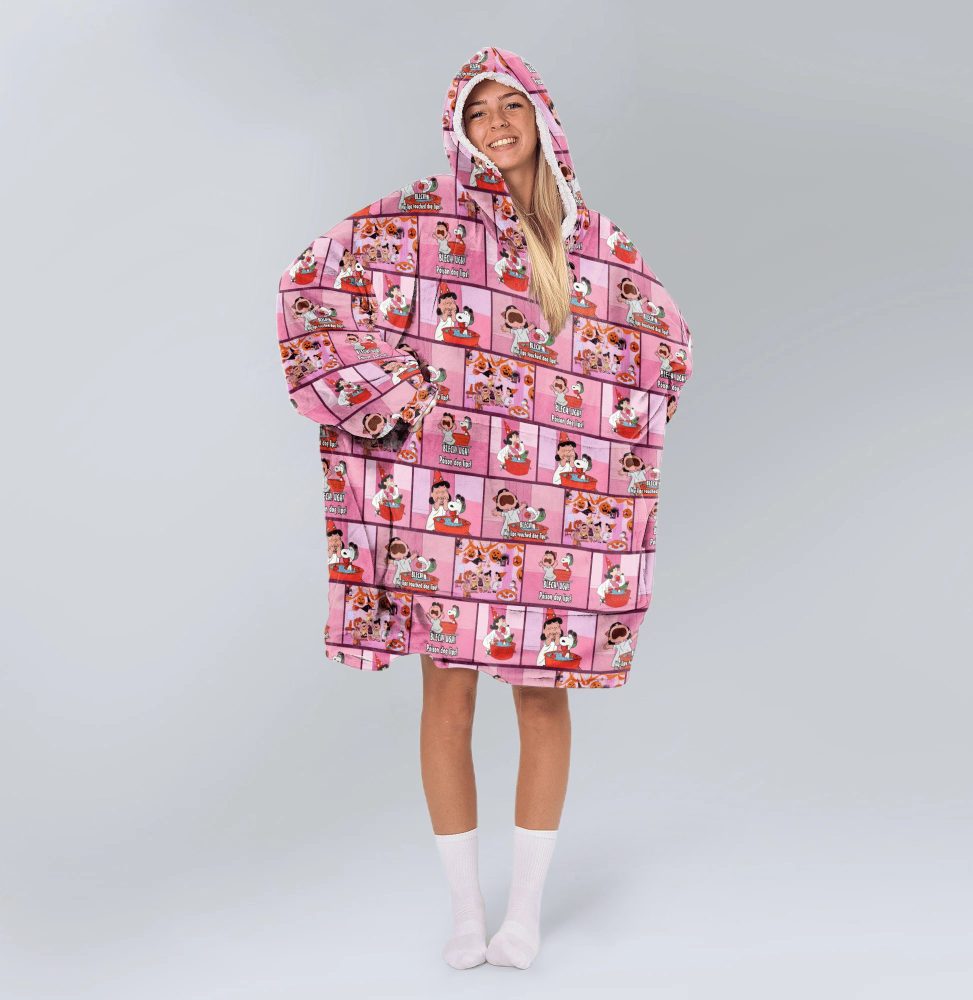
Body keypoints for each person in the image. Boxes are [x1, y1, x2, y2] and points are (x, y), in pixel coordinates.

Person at [275, 45, 695, 972]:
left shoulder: (593, 243)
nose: (496, 125)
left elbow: (664, 346)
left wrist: (602, 443)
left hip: (550, 517)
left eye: (510, 106)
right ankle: (467, 914)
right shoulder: (418, 220)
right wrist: (395, 395)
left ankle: (525, 916)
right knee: (448, 693)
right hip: (442, 502)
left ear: (542, 116)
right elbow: (311, 287)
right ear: (457, 130)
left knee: (541, 696)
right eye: (477, 112)